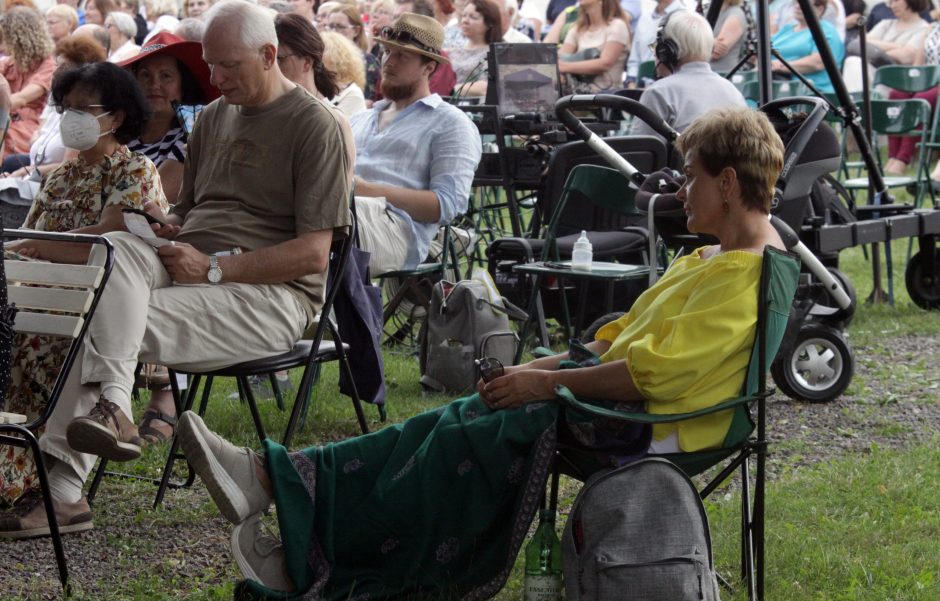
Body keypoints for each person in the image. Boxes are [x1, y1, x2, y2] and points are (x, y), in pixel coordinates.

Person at [177, 104, 788, 599]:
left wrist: (542, 387)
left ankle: (296, 517)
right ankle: (284, 497)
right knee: (461, 415)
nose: (681, 191)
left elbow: (650, 375)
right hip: (608, 397)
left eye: (691, 177)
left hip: (647, 424)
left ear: (728, 183)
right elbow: (608, 341)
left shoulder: (743, 275)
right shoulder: (707, 258)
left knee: (461, 435)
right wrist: (531, 371)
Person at [0, 0, 352, 539]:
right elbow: (192, 210)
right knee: (112, 248)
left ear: (269, 54)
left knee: (96, 316)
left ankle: (62, 491)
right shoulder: (212, 117)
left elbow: (313, 255)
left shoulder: (316, 125)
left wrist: (213, 268)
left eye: (228, 65)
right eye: (211, 64)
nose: (214, 78)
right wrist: (165, 222)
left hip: (270, 293)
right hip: (185, 260)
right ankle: (115, 407)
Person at [0, 62, 166, 507]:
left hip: (86, 307)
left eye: (84, 108)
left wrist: (48, 248)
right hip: (32, 295)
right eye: (66, 107)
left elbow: (118, 249)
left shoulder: (134, 172)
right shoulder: (60, 179)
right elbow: (27, 245)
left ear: (115, 117)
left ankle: (46, 468)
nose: (72, 117)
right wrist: (43, 248)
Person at [350, 13, 481, 274]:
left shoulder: (450, 123)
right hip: (345, 217)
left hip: (396, 232)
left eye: (402, 56)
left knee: (319, 218)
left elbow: (446, 205)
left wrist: (364, 190)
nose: (389, 62)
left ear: (428, 67)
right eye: (387, 52)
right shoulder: (361, 119)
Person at [118, 31, 219, 204]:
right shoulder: (120, 130)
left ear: (184, 85)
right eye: (145, 75)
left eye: (166, 76)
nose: (154, 85)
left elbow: (153, 199)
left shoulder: (192, 134)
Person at [0, 35, 106, 183]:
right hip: (34, 180)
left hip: (55, 189)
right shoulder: (58, 102)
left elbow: (69, 167)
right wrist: (17, 177)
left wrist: (23, 176)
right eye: (56, 66)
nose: (55, 73)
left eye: (63, 68)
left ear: (83, 74)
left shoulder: (85, 116)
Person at [632, 10, 746, 142]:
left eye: (655, 47)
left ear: (666, 50)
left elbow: (640, 156)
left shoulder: (658, 93)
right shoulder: (733, 92)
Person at [0, 7, 56, 162]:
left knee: (7, 133)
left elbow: (21, 99)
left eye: (5, 37)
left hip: (28, 126)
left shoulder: (48, 65)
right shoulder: (8, 62)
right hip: (6, 119)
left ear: (17, 38)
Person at [771, 0, 845, 94]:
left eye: (803, 4)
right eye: (796, 2)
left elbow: (817, 63)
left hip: (812, 92)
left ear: (820, 9)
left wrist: (780, 65)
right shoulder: (786, 29)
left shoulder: (826, 31)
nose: (797, 6)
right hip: (774, 84)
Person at [557, 0, 631, 93]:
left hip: (607, 97)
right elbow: (561, 58)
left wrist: (566, 67)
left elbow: (605, 63)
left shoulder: (617, 26)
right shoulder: (578, 29)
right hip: (577, 94)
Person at [321, 5, 381, 101]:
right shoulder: (320, 58)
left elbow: (368, 101)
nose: (333, 31)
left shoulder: (367, 61)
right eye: (331, 26)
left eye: (340, 27)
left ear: (356, 31)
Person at [625, 0, 684, 86]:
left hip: (671, 86)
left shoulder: (685, 17)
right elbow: (634, 60)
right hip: (641, 87)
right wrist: (632, 85)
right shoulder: (644, 19)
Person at [450, 0, 501, 96]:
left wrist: (450, 89)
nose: (465, 20)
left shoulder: (493, 54)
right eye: (464, 15)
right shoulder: (452, 51)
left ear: (489, 23)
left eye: (473, 17)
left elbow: (485, 87)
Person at [320, 31, 368, 116]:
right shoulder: (322, 88)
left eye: (321, 51)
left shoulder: (353, 94)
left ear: (336, 59)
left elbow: (330, 124)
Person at [709, 0, 747, 73]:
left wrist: (699, 42)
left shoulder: (735, 14)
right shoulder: (710, 11)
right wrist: (712, 42)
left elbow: (717, 52)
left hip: (723, 75)